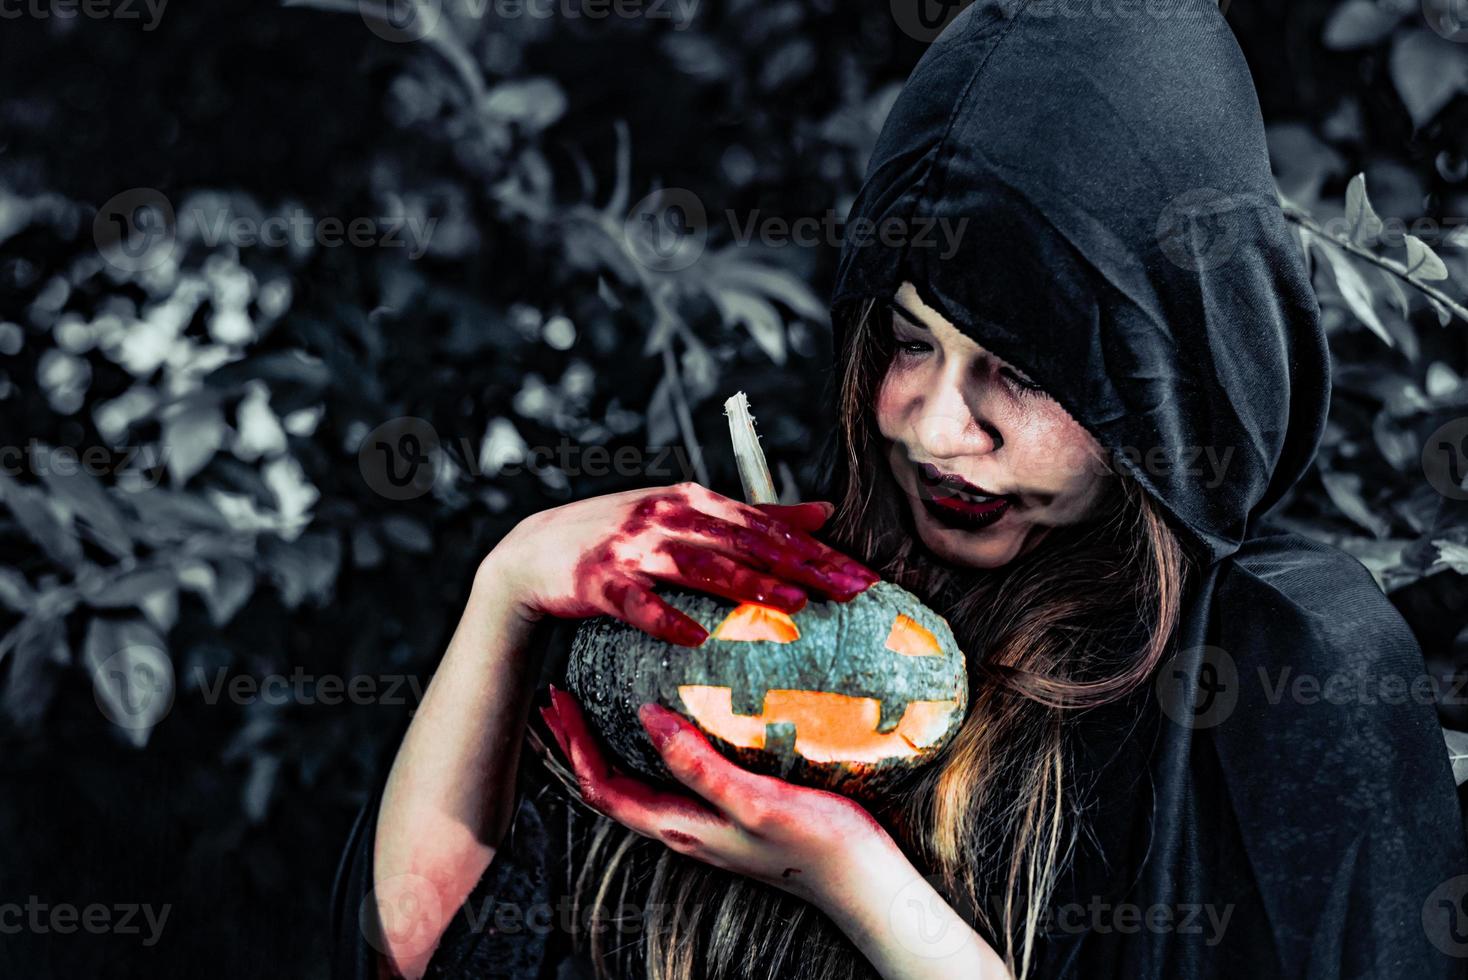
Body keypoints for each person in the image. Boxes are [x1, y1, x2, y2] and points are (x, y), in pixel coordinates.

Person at [331, 1, 1468, 978]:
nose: (932, 428)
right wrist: (510, 583)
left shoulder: (1282, 673)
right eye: (910, 342)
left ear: (1155, 392)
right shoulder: (766, 619)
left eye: (1015, 373)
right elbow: (424, 949)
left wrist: (850, 876)